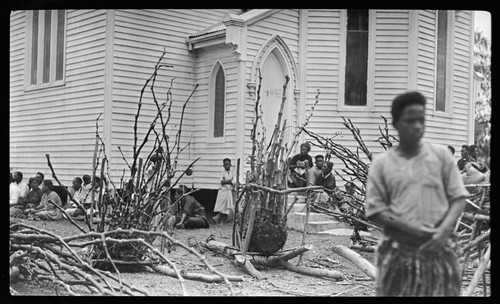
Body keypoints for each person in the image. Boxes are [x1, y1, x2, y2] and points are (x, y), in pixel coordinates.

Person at [366, 91, 468, 296]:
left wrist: (443, 231)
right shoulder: (382, 164)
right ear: (396, 123)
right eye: (410, 120)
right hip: (398, 251)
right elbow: (376, 211)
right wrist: (412, 227)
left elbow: (458, 198)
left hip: (439, 248)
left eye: (421, 120)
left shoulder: (441, 157)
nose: (418, 126)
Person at [212, 158, 235, 224]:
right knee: (222, 207)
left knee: (227, 207)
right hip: (223, 191)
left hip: (229, 191)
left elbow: (234, 181)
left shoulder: (233, 172)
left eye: (228, 164)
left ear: (230, 165)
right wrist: (230, 180)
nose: (226, 166)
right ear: (223, 165)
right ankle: (218, 219)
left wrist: (227, 181)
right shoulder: (222, 172)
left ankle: (219, 219)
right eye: (225, 164)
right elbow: (222, 182)